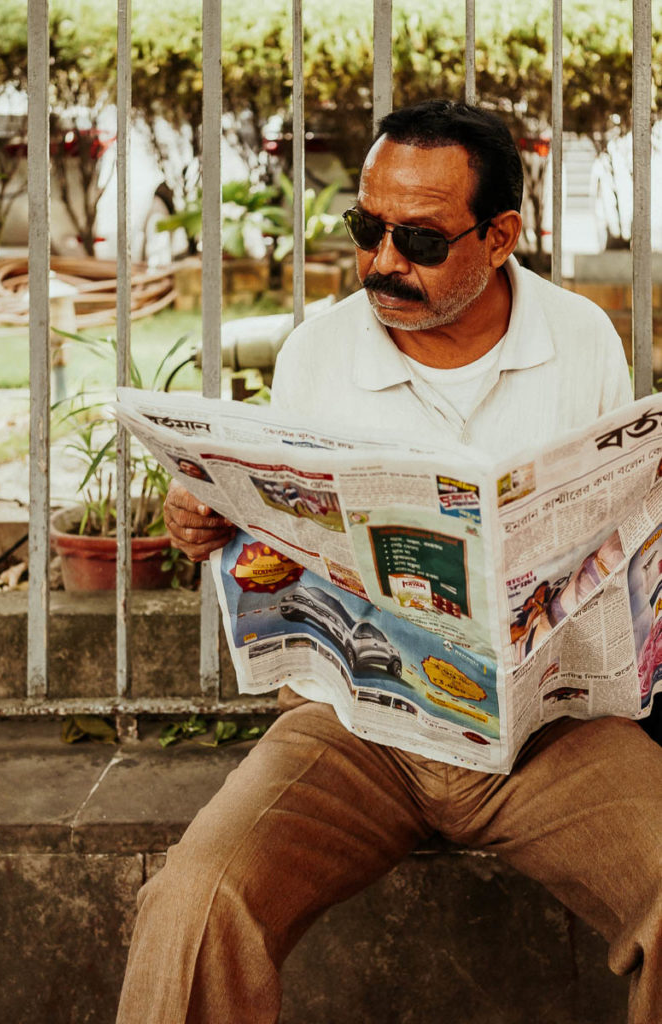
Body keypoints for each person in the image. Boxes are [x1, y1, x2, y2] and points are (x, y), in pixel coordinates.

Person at [117, 101, 662, 1024]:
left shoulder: (580, 341)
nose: (380, 263)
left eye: (416, 238)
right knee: (195, 901)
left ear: (499, 237)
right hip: (358, 730)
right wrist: (208, 517)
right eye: (365, 228)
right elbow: (273, 539)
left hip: (546, 739)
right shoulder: (316, 353)